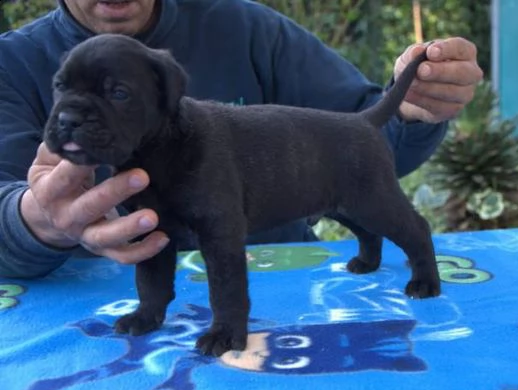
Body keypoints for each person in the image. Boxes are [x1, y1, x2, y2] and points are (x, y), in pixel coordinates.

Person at [0, 0, 483, 279]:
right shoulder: (13, 64)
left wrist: (414, 110)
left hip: (278, 290)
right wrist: (35, 222)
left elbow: (366, 143)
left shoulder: (247, 28)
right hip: (91, 306)